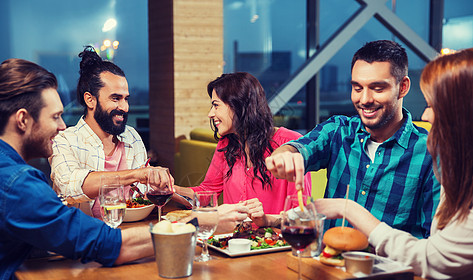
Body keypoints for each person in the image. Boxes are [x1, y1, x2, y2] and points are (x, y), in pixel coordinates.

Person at [314, 47, 473, 280]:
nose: (425, 114)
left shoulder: (431, 155)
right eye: (357, 87)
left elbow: (432, 257)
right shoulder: (459, 172)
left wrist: (350, 209)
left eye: (433, 105)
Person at [0, 58, 154, 280]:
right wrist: (194, 224)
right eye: (55, 117)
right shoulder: (17, 183)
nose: (62, 126)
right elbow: (107, 244)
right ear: (22, 120)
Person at [266, 40, 440, 238]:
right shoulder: (338, 130)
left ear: (403, 87)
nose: (364, 99)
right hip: (327, 264)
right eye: (357, 88)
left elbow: (432, 242)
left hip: (389, 268)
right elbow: (298, 148)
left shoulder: (431, 152)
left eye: (377, 88)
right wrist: (284, 155)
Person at [175, 72, 312, 229]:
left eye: (216, 105)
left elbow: (300, 213)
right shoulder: (226, 144)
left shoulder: (290, 144)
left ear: (237, 105)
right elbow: (206, 195)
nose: (210, 114)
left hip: (274, 245)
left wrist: (267, 219)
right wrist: (170, 190)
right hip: (234, 244)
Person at [49, 46, 172, 218]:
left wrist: (157, 182)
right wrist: (136, 174)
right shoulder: (64, 141)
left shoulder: (132, 137)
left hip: (130, 231)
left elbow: (140, 197)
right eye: (116, 98)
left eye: (126, 98)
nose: (124, 107)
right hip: (83, 240)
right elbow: (70, 188)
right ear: (90, 100)